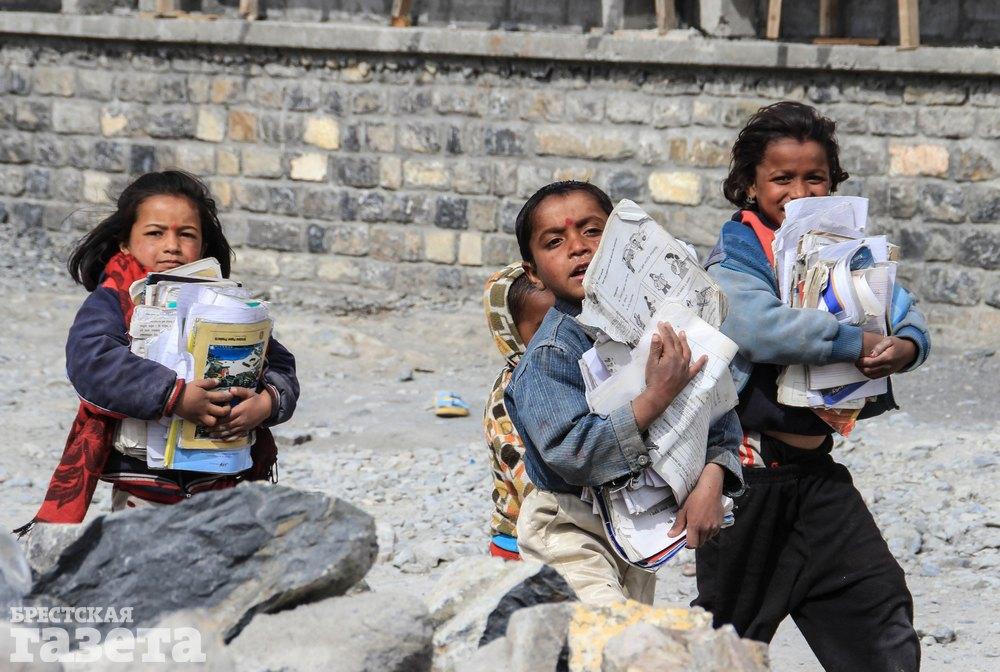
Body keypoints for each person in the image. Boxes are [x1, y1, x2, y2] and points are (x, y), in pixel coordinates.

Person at [694, 101, 930, 672]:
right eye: (782, 178)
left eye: (814, 177)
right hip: (746, 478)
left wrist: (906, 346)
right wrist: (854, 343)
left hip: (815, 473)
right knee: (727, 642)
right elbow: (757, 327)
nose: (799, 192)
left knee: (878, 614)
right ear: (750, 185)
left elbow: (900, 308)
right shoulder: (739, 254)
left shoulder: (847, 249)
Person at [16, 171, 298, 533]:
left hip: (224, 479)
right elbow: (93, 361)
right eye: (155, 233)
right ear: (124, 242)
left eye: (186, 234)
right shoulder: (114, 300)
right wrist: (174, 396)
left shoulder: (225, 303)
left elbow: (278, 363)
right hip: (144, 482)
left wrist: (266, 404)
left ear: (203, 246)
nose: (172, 246)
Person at [505, 180, 745, 605]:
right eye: (555, 241)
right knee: (608, 629)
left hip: (634, 530)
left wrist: (713, 477)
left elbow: (715, 408)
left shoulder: (660, 323)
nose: (578, 247)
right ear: (533, 272)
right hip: (569, 527)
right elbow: (573, 452)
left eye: (592, 231)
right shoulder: (551, 354)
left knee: (623, 633)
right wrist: (657, 395)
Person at [482, 263, 554, 560]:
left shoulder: (567, 378)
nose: (558, 335)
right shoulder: (509, 398)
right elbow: (530, 483)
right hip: (521, 544)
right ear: (510, 331)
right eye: (543, 328)